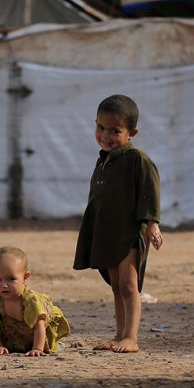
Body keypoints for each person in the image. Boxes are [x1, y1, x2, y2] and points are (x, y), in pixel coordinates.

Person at [73, 94, 162, 354]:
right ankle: (119, 334)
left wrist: (152, 224)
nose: (106, 135)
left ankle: (131, 338)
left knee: (128, 286)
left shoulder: (137, 160)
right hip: (107, 232)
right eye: (100, 127)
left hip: (128, 233)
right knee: (115, 286)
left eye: (115, 130)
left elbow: (150, 191)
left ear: (132, 132)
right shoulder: (104, 159)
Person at [0, 246, 70, 356]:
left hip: (36, 338)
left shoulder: (30, 301)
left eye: (11, 279)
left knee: (43, 339)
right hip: (12, 339)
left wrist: (37, 349)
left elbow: (39, 326)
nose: (4, 285)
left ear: (25, 276)